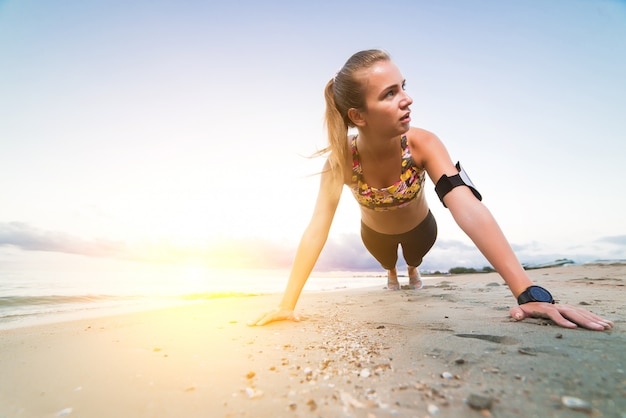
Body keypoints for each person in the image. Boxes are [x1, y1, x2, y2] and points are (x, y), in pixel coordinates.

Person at [249, 49, 612, 331]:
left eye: (404, 86)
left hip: (422, 229)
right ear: (358, 116)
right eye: (390, 94)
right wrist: (287, 303)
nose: (406, 99)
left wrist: (529, 293)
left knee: (414, 259)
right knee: (387, 263)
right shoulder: (341, 161)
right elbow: (317, 227)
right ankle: (392, 273)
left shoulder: (422, 144)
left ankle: (412, 270)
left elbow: (466, 207)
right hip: (373, 234)